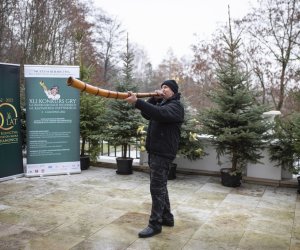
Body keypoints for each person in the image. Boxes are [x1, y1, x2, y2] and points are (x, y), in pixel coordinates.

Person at [125, 80, 184, 238]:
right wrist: (153, 99)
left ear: (173, 92)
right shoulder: (162, 103)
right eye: (162, 87)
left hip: (163, 153)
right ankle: (167, 217)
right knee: (160, 186)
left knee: (156, 188)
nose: (163, 89)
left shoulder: (175, 107)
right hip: (156, 151)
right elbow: (147, 114)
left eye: (167, 87)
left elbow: (159, 114)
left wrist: (137, 101)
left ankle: (155, 224)